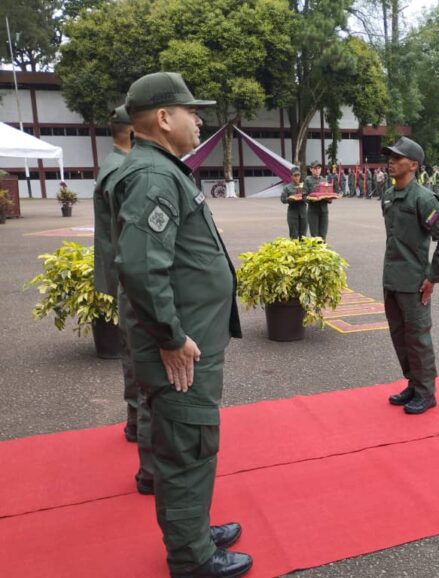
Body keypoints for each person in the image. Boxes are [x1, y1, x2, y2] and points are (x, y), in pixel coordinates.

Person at [112, 72, 250, 578]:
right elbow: (142, 266)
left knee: (185, 442)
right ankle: (192, 560)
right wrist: (171, 337)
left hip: (189, 337)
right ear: (164, 118)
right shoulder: (153, 176)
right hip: (181, 345)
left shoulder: (163, 168)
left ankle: (193, 530)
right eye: (191, 111)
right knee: (188, 444)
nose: (199, 119)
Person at [94, 104, 156, 495]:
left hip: (121, 277)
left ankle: (134, 424)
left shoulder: (112, 165)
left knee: (134, 358)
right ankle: (151, 468)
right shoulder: (124, 171)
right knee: (148, 368)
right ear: (134, 132)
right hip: (132, 279)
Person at [380, 137, 439, 415]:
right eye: (390, 157)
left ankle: (426, 392)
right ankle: (413, 383)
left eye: (397, 158)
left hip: (414, 282)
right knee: (399, 336)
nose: (391, 162)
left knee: (418, 338)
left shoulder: (423, 198)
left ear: (413, 165)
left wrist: (433, 277)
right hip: (391, 279)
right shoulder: (388, 195)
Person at [305, 161, 332, 240]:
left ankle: (323, 251)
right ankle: (316, 251)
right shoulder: (308, 180)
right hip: (313, 211)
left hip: (324, 210)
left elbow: (328, 194)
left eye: (319, 168)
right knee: (315, 235)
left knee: (323, 234)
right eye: (315, 168)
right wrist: (311, 199)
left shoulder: (324, 180)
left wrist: (330, 199)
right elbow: (304, 196)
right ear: (311, 169)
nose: (317, 170)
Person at [280, 166, 308, 239]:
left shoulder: (304, 186)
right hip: (293, 213)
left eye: (298, 175)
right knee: (294, 235)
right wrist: (290, 199)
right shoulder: (287, 187)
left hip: (303, 213)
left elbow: (308, 198)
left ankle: (303, 250)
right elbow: (283, 199)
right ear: (291, 176)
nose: (297, 177)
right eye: (295, 175)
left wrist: (305, 198)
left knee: (303, 236)